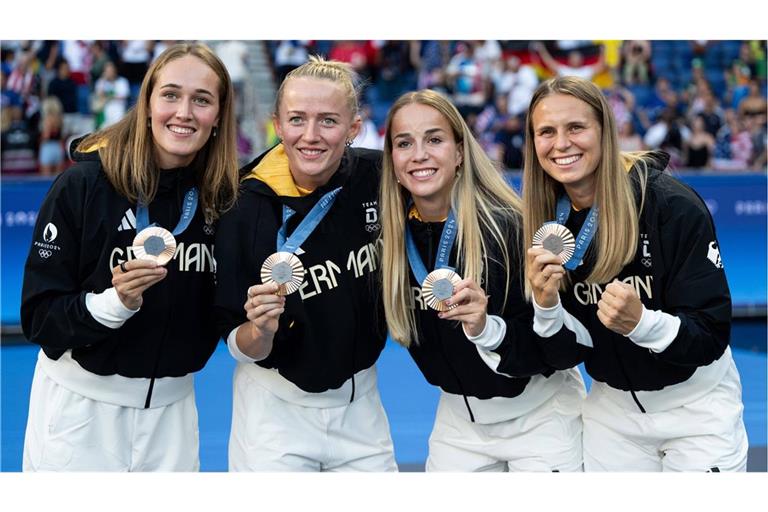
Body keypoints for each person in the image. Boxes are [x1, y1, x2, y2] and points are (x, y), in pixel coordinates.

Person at [20, 42, 240, 471]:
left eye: (202, 99)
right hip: (81, 417)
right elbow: (39, 316)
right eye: (171, 95)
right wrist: (113, 303)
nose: (184, 112)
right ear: (147, 102)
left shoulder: (224, 198)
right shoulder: (82, 187)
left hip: (173, 419)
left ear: (218, 116)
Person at [522, 76, 748, 471]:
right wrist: (545, 306)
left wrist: (641, 323)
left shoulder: (672, 206)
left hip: (696, 409)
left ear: (606, 130)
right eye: (546, 131)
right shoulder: (544, 221)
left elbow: (710, 334)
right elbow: (563, 355)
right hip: (612, 415)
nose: (560, 144)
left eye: (576, 127)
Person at [378, 89, 585, 472]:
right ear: (391, 159)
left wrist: (486, 327)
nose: (419, 154)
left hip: (542, 417)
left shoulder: (510, 226)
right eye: (404, 143)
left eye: (434, 139)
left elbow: (560, 349)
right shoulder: (389, 240)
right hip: (459, 421)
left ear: (459, 152)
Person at [213, 56, 397, 472]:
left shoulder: (379, 176)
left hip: (362, 407)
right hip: (273, 415)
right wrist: (259, 332)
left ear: (354, 127)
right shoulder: (241, 203)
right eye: (297, 119)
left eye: (328, 121)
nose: (310, 136)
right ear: (277, 124)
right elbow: (233, 338)